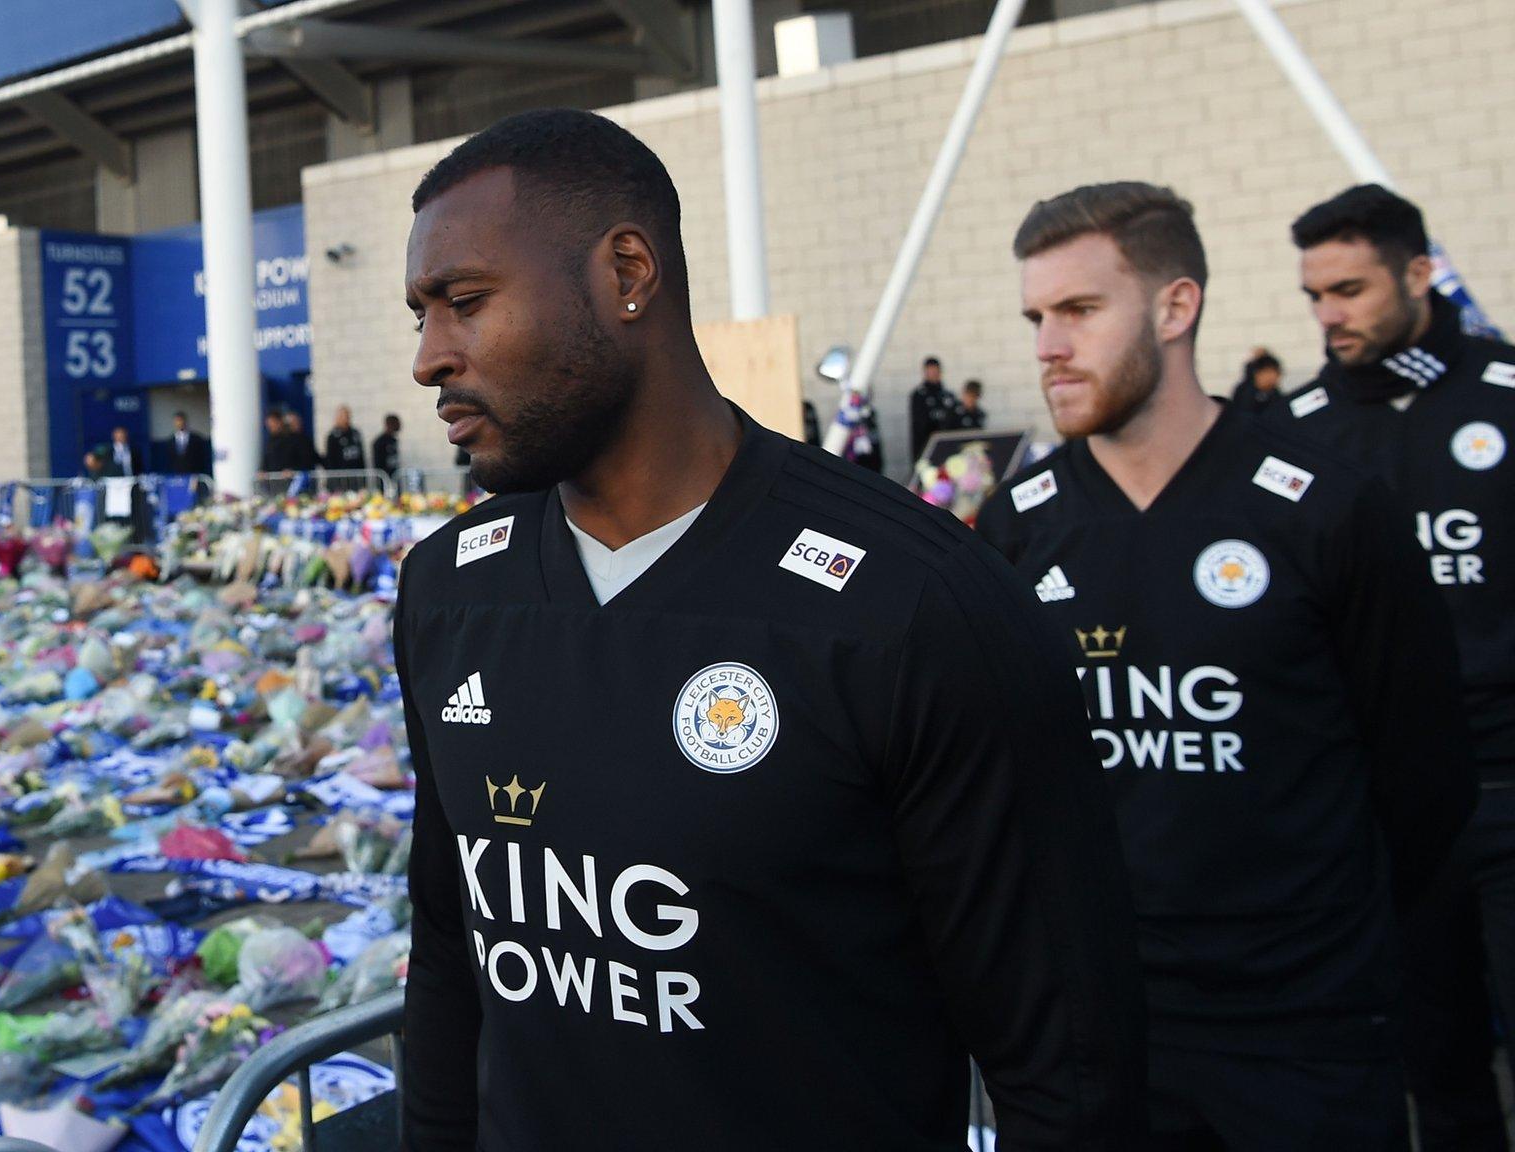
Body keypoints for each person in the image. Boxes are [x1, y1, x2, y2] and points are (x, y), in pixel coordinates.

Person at [396, 107, 1144, 1151]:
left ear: (625, 274)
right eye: (418, 315)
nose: (429, 357)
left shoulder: (915, 607)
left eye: (463, 303)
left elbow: (1060, 1070)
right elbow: (448, 958)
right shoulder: (448, 593)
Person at [976, 182, 1474, 1150]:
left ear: (1174, 307)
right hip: (1097, 1028)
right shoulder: (1015, 524)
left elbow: (1421, 780)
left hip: (1302, 1033)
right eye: (1035, 317)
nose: (1046, 346)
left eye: (1077, 310)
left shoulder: (1322, 508)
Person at [1268, 184, 1515, 1151]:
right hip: (1389, 812)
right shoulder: (1296, 431)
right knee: (1439, 1066)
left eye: (1351, 289)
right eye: (1315, 296)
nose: (1330, 316)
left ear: (1419, 274)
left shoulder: (1504, 394)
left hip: (1507, 782)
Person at [908, 355, 962, 462]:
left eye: (935, 370)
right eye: (930, 371)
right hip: (926, 448)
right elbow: (920, 425)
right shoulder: (919, 395)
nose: (933, 374)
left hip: (946, 448)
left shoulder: (948, 395)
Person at [162, 411, 211, 475]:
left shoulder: (196, 438)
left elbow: (202, 458)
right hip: (177, 475)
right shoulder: (170, 441)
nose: (179, 423)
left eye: (181, 420)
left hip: (194, 474)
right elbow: (169, 461)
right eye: (177, 421)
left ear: (185, 421)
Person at [323, 406, 367, 476]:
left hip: (356, 477)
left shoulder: (355, 433)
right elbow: (330, 461)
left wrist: (364, 479)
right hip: (341, 478)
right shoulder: (332, 436)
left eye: (347, 416)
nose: (346, 419)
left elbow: (361, 458)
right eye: (343, 416)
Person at [372, 414, 403, 479]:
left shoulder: (393, 440)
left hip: (395, 476)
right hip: (385, 478)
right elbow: (377, 464)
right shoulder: (380, 442)